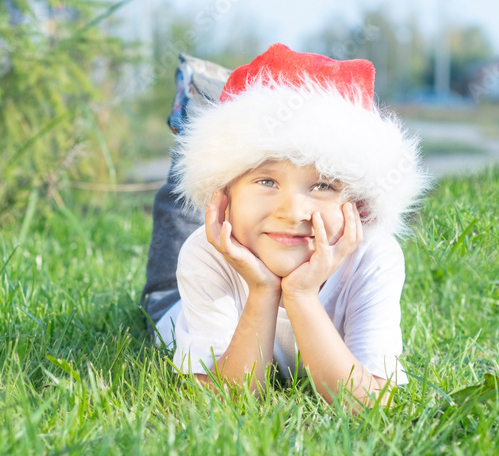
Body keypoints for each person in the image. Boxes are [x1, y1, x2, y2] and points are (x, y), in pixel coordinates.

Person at [139, 43, 429, 407]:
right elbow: (222, 398)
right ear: (226, 193)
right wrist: (261, 292)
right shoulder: (204, 253)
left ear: (358, 205)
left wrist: (301, 295)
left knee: (245, 217)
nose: (292, 212)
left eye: (323, 185)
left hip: (255, 230)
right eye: (267, 181)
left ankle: (220, 99)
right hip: (178, 297)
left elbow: (368, 403)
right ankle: (198, 100)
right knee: (179, 214)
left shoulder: (374, 257)